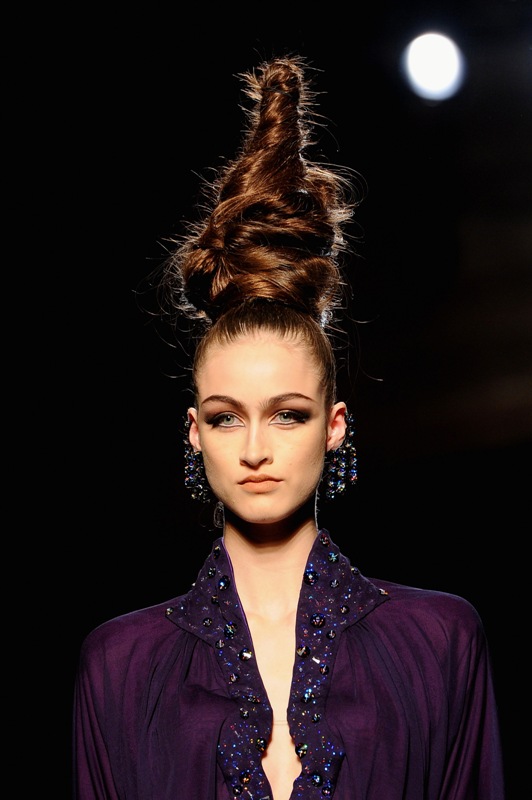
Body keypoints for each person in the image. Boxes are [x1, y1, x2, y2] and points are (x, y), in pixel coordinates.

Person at [72, 55, 505, 799]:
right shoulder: (119, 666)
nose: (255, 449)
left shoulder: (440, 642)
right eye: (225, 417)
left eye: (288, 414)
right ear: (193, 433)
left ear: (334, 426)